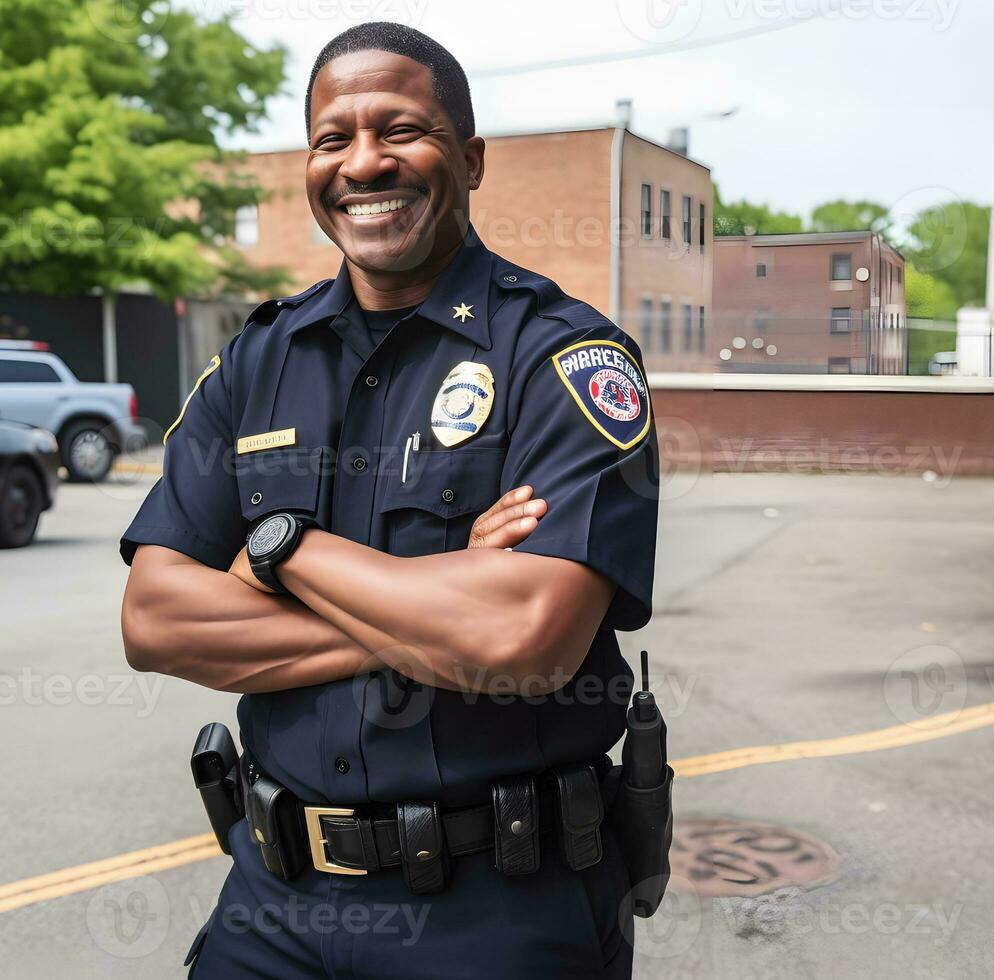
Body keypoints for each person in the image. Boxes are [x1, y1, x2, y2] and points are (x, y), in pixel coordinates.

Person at [119, 21, 658, 979]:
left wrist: (277, 553)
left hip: (500, 911)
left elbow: (524, 645)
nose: (363, 163)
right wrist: (436, 602)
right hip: (273, 902)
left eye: (400, 130)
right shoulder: (256, 361)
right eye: (333, 139)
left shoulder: (563, 359)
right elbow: (155, 621)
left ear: (471, 158)